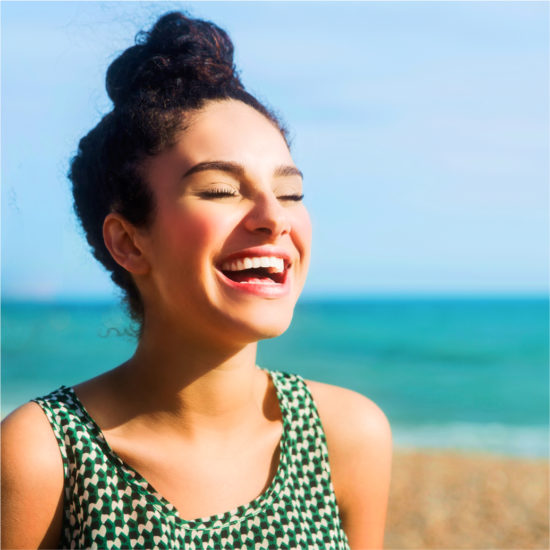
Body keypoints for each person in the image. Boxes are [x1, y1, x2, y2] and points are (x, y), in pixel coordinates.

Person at [1, 11, 392, 550]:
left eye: (290, 192)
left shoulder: (347, 436)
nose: (273, 217)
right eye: (219, 190)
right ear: (129, 242)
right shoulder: (46, 453)